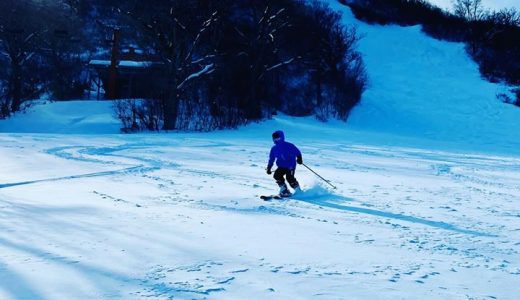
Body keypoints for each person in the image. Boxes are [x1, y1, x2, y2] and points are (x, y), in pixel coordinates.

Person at [266, 130, 303, 197]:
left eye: (278, 138)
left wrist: (299, 158)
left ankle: (298, 190)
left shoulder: (289, 145)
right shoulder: (274, 148)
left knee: (289, 178)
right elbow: (271, 159)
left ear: (282, 137)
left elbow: (297, 152)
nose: (276, 140)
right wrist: (269, 167)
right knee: (276, 175)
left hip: (290, 166)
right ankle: (284, 190)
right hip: (281, 166)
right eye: (275, 138)